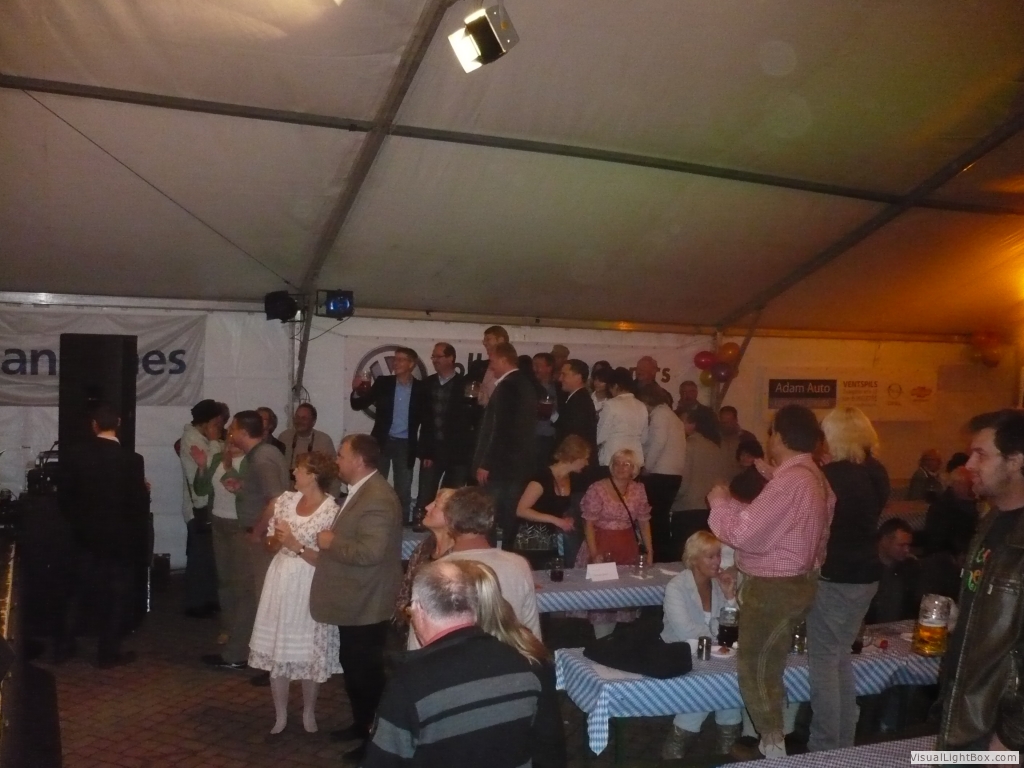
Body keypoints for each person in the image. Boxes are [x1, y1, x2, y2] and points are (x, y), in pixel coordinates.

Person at [708, 404, 835, 760]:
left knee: (757, 667)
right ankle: (772, 739)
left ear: (779, 436)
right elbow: (776, 525)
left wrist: (719, 502)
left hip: (775, 588)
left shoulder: (791, 482)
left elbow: (742, 533)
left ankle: (772, 744)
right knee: (771, 664)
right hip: (799, 580)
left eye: (771, 432)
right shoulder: (814, 476)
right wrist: (768, 473)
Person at [364, 559, 565, 768]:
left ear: (418, 608)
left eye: (410, 613)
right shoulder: (527, 663)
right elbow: (549, 749)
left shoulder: (410, 683)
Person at [308, 434, 402, 763]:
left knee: (367, 674)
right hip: (357, 597)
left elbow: (370, 552)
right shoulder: (362, 490)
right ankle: (361, 725)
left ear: (359, 461)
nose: (337, 461)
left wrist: (330, 542)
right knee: (354, 668)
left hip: (368, 600)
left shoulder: (378, 497)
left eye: (341, 455)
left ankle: (376, 739)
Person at [938, 410, 1024, 753]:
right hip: (967, 709)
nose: (969, 465)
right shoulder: (992, 521)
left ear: (1016, 462)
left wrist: (1012, 737)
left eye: (981, 454)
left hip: (999, 725)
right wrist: (964, 618)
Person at [806, 407, 890, 752]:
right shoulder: (876, 471)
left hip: (835, 574)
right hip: (866, 572)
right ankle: (843, 740)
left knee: (824, 660)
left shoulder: (831, 476)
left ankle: (825, 743)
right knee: (839, 656)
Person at [249, 451, 343, 735]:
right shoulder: (285, 501)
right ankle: (280, 715)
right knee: (279, 647)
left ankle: (308, 712)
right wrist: (277, 541)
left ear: (313, 475)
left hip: (309, 581)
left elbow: (326, 559)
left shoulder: (330, 510)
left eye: (299, 469)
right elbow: (268, 545)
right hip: (281, 578)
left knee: (307, 651)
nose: (293, 472)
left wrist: (295, 544)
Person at [56, 403, 149, 668]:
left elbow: (64, 498)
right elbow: (137, 506)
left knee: (75, 593)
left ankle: (63, 648)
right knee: (116, 598)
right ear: (118, 423)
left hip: (84, 537)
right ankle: (107, 653)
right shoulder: (132, 460)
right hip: (119, 540)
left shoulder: (75, 456)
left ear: (93, 425)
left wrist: (79, 523)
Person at [202, 410, 289, 672]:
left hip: (260, 538)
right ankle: (240, 653)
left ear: (242, 431)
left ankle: (271, 663)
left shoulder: (261, 458)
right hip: (258, 535)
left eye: (232, 428)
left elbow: (276, 499)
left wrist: (257, 531)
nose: (229, 431)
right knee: (249, 596)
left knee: (259, 597)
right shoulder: (262, 454)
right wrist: (242, 488)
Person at [661, 531, 740, 758]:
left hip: (713, 656)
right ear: (694, 559)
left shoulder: (718, 585)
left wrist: (730, 597)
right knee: (717, 684)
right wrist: (720, 639)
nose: (717, 562)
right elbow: (685, 631)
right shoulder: (676, 587)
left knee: (729, 680)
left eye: (718, 555)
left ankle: (723, 750)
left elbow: (732, 627)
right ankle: (678, 748)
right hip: (680, 656)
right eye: (710, 557)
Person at [439, 487, 541, 641]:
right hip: (510, 654)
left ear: (447, 521)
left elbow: (419, 646)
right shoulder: (518, 564)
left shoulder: (434, 571)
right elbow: (532, 633)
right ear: (491, 520)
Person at [576, 448, 653, 637]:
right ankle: (601, 641)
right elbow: (588, 524)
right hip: (601, 545)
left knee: (625, 597)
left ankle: (619, 642)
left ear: (634, 469)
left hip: (627, 548)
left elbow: (644, 521)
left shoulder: (638, 489)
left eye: (626, 464)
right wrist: (594, 553)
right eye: (617, 463)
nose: (620, 467)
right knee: (601, 598)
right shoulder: (597, 488)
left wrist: (649, 551)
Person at [471, 341, 538, 550]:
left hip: (501, 466)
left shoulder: (508, 386)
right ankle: (506, 554)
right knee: (509, 516)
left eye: (492, 361)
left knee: (490, 516)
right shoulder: (526, 384)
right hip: (517, 465)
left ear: (502, 359)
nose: (490, 366)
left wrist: (486, 463)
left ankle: (490, 557)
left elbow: (501, 429)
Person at [350, 347, 426, 523]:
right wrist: (356, 390)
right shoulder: (384, 383)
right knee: (374, 485)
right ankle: (372, 521)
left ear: (411, 364)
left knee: (403, 489)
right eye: (395, 359)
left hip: (405, 444)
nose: (395, 363)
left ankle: (401, 525)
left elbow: (427, 420)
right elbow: (359, 404)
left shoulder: (421, 388)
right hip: (381, 442)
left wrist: (425, 448)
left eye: (400, 360)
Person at [192, 427, 245, 647]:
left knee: (239, 579)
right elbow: (201, 489)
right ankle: (227, 626)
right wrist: (202, 467)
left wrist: (231, 470)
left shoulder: (249, 462)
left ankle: (242, 629)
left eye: (235, 439)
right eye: (228, 439)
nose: (231, 444)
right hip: (218, 521)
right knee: (224, 579)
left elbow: (249, 492)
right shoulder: (216, 459)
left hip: (239, 525)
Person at [515, 435, 592, 569]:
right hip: (530, 541)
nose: (587, 463)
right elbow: (521, 511)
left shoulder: (570, 479)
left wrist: (565, 519)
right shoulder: (541, 478)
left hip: (551, 540)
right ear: (574, 457)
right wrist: (556, 520)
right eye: (585, 458)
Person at [179, 398, 224, 618]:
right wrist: (215, 442)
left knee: (207, 556)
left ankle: (207, 599)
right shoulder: (193, 440)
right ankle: (196, 603)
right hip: (198, 505)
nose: (219, 428)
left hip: (204, 505)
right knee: (199, 557)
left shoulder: (198, 437)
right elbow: (212, 463)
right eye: (216, 423)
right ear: (206, 422)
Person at [417, 342, 472, 514]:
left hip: (458, 452)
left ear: (451, 358)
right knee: (425, 495)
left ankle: (448, 526)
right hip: (432, 450)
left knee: (452, 498)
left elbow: (472, 420)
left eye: (438, 356)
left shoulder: (466, 385)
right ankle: (422, 523)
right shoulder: (427, 384)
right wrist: (425, 451)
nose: (434, 360)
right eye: (433, 356)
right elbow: (424, 421)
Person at [394, 488, 457, 639]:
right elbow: (406, 588)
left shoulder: (459, 555)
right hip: (411, 629)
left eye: (435, 505)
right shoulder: (425, 546)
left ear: (451, 516)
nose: (427, 507)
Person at [672, 407, 731, 553]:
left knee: (685, 554)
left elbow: (684, 481)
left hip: (687, 508)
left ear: (693, 424)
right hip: (710, 508)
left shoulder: (688, 445)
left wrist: (671, 499)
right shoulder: (716, 447)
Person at [639, 389, 687, 563]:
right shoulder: (673, 417)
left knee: (654, 517)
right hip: (674, 473)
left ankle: (657, 555)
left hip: (660, 472)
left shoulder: (659, 415)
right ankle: (665, 556)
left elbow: (658, 442)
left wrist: (647, 466)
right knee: (662, 516)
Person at [864, 519, 919, 624]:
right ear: (884, 541)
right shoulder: (866, 568)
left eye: (908, 545)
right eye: (901, 545)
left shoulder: (910, 567)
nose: (906, 550)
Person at [596, 367, 649, 468]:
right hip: (635, 458)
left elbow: (601, 435)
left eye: (610, 387)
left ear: (615, 385)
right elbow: (644, 438)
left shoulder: (611, 405)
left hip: (613, 457)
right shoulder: (641, 405)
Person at [924, 466, 979, 561]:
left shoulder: (966, 503)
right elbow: (939, 541)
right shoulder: (942, 507)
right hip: (946, 559)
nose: (973, 488)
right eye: (970, 484)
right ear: (958, 485)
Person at [279, 403, 336, 481]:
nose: (299, 421)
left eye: (304, 418)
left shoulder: (324, 441)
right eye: (297, 417)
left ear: (313, 422)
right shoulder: (284, 437)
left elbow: (333, 473)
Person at [555, 358, 597, 455]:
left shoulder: (579, 401)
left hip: (575, 457)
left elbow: (574, 435)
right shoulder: (577, 398)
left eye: (564, 374)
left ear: (578, 377)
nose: (560, 379)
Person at [465, 325, 509, 406]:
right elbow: (465, 387)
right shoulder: (478, 366)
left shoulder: (516, 369)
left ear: (501, 340)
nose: (484, 343)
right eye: (484, 340)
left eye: (488, 339)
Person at [532, 352, 559, 468]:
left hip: (549, 437)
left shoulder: (559, 388)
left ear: (549, 368)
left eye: (538, 365)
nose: (534, 369)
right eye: (533, 365)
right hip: (531, 436)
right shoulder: (530, 387)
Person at [718, 406, 760, 476]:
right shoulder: (716, 439)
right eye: (723, 422)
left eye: (728, 422)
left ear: (736, 420)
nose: (726, 426)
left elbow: (756, 462)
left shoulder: (747, 438)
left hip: (742, 479)